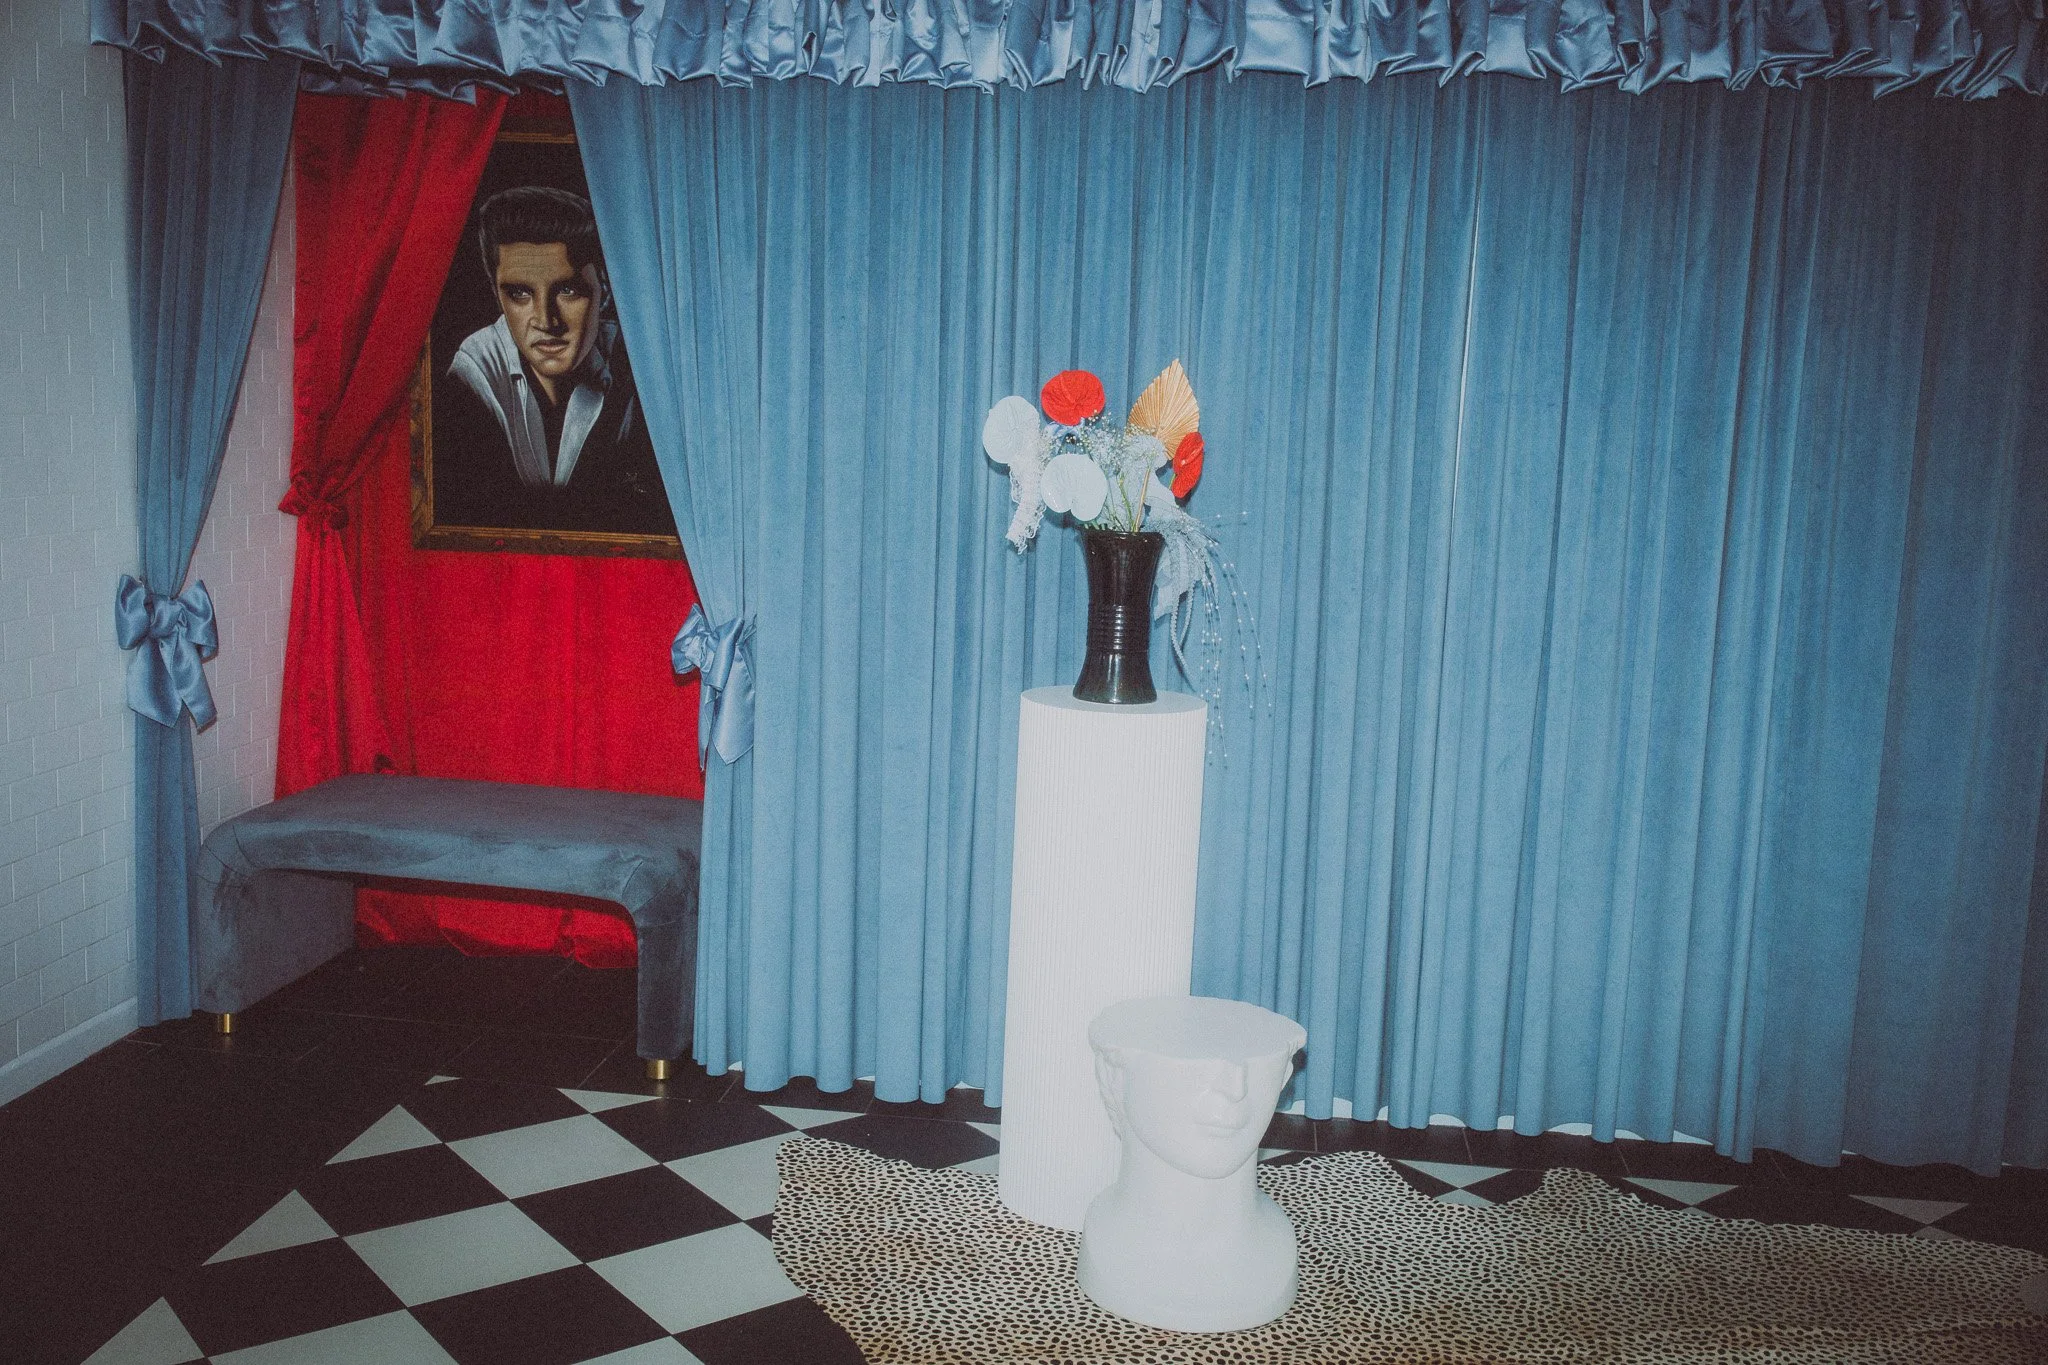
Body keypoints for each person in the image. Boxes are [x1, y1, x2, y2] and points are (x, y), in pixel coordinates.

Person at [434, 186, 675, 537]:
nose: (546, 320)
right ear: (497, 295)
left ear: (604, 291)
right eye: (519, 294)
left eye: (568, 291)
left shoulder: (642, 363)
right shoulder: (473, 373)